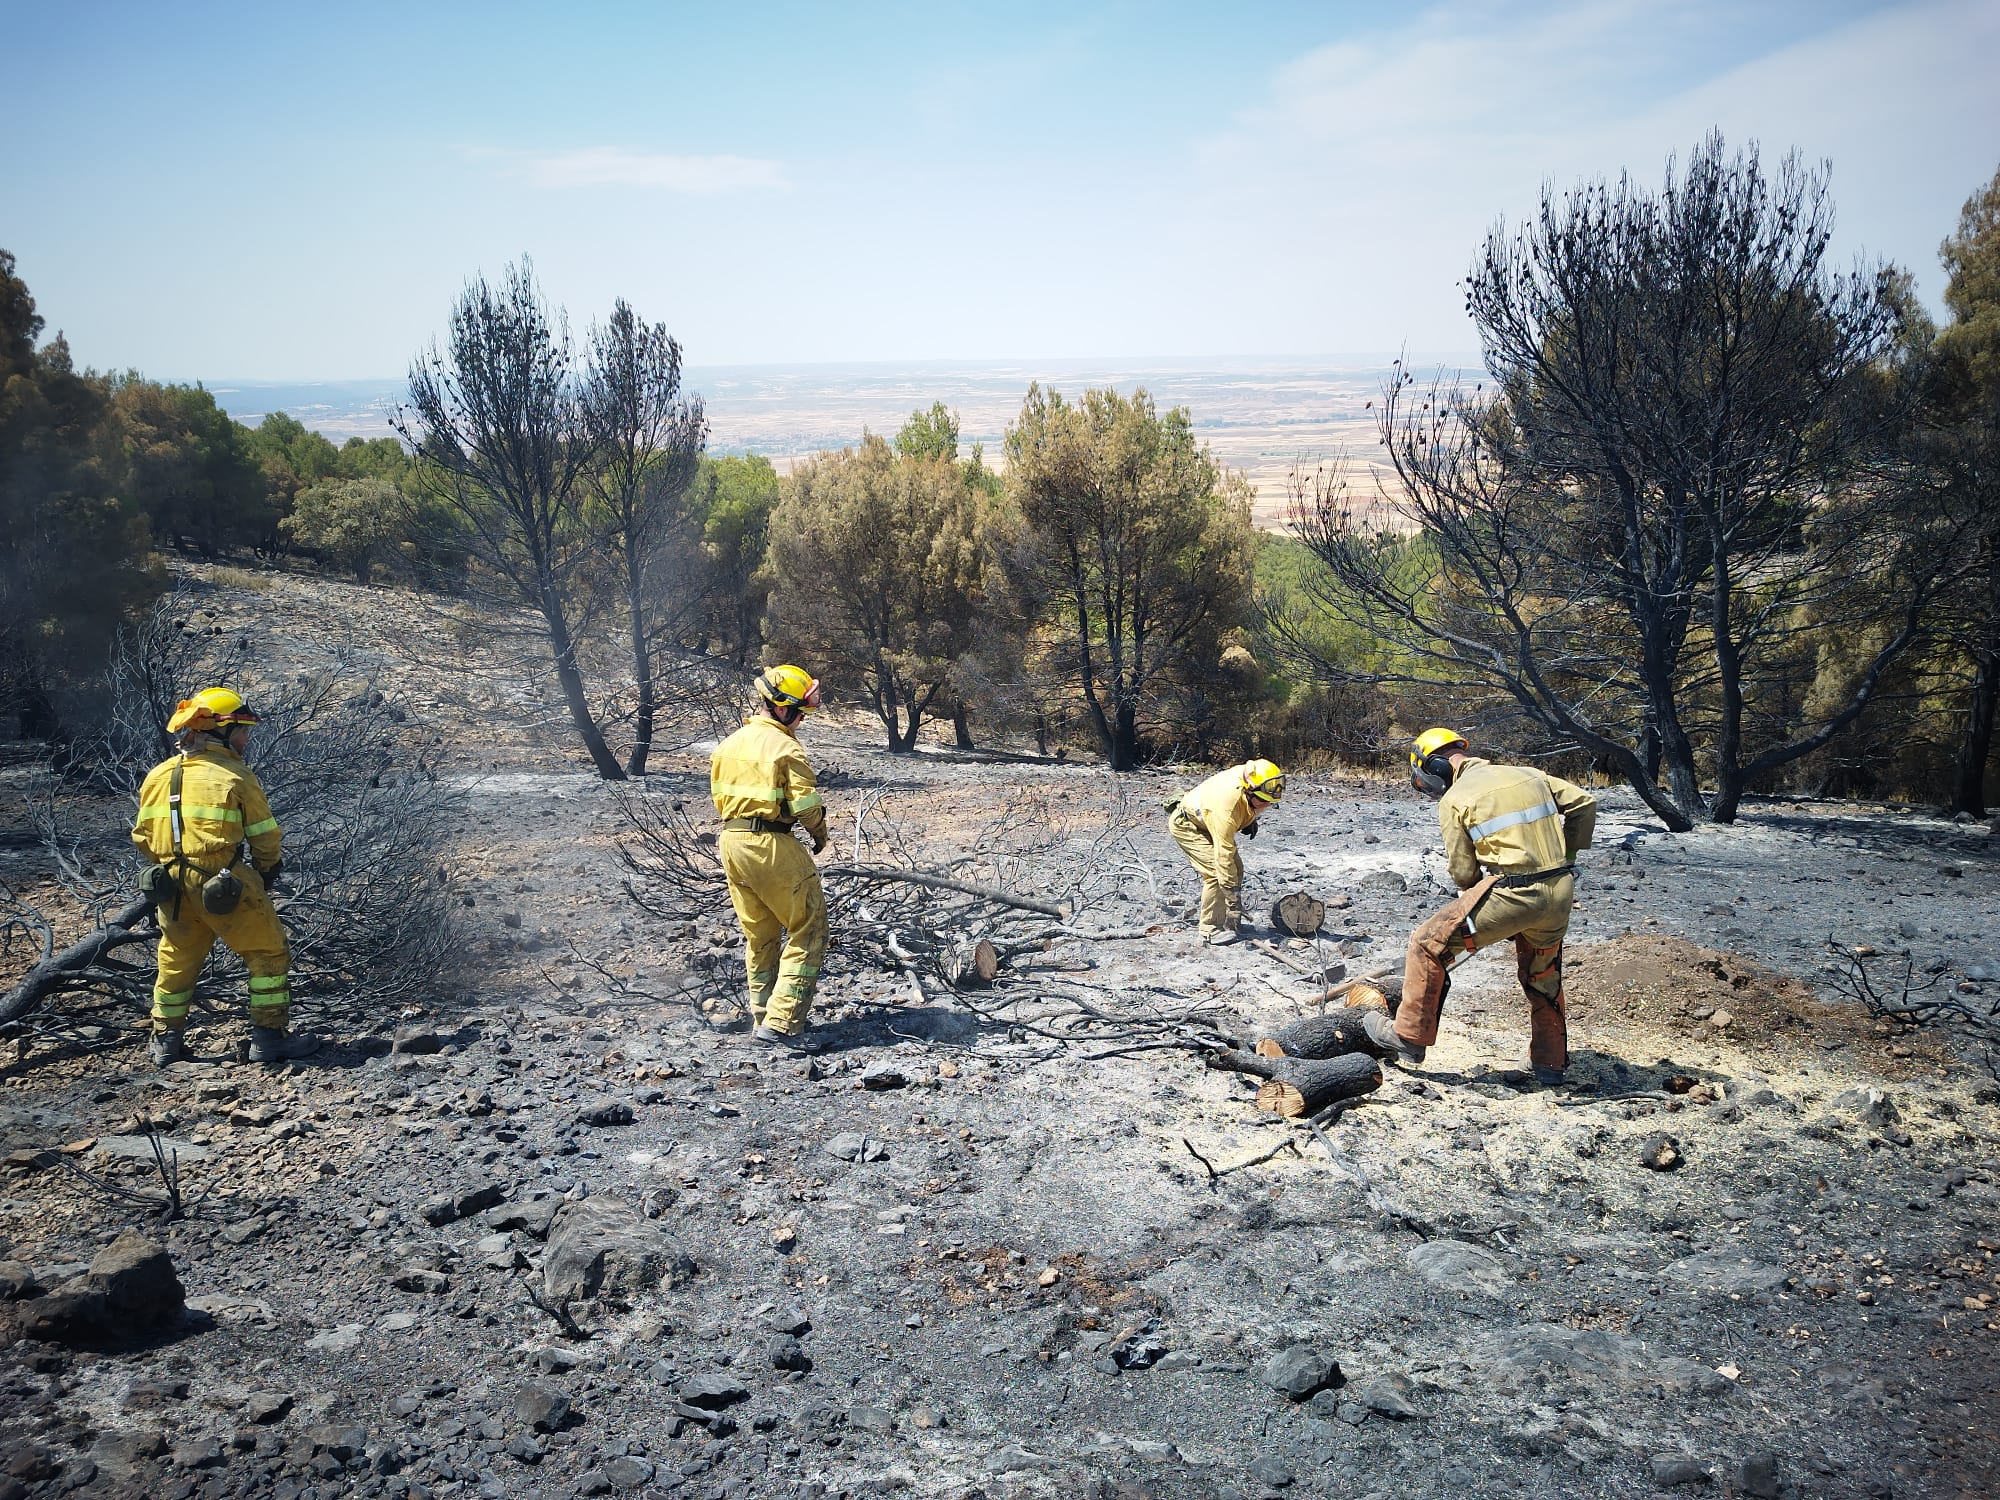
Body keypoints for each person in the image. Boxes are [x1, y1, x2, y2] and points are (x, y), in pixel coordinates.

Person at [1367, 728, 1596, 1084]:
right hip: (1561, 891)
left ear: (1436, 767)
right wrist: (1567, 853)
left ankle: (1408, 1036)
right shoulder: (1529, 774)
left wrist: (1488, 912)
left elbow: (1463, 873)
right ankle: (1550, 1064)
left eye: (1426, 780)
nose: (1431, 788)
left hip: (1515, 892)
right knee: (1543, 977)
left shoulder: (1456, 797)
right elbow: (1584, 802)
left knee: (1428, 944)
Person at [131, 687, 317, 1067]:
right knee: (268, 951)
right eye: (240, 729)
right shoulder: (234, 774)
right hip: (224, 881)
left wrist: (172, 864)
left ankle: (166, 1042)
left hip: (170, 885)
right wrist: (265, 872)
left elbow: (142, 837)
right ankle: (269, 1038)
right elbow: (265, 835)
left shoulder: (157, 776)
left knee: (175, 960)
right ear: (216, 730)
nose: (245, 738)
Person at [711, 665, 830, 1049]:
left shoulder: (728, 744)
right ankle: (781, 1025)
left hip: (732, 843)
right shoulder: (786, 747)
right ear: (782, 708)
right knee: (809, 928)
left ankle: (762, 1017)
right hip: (771, 845)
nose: (801, 723)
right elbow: (806, 806)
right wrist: (819, 834)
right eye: (801, 713)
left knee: (760, 936)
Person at [1167, 759, 1284, 944]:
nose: (1266, 806)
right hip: (1188, 826)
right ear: (1249, 790)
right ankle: (1210, 929)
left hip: (1207, 819)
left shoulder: (1251, 775)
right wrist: (1233, 901)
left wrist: (1248, 819)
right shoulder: (1226, 810)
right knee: (1216, 872)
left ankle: (1229, 924)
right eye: (1263, 801)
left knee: (1236, 868)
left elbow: (1245, 805)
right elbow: (1224, 856)